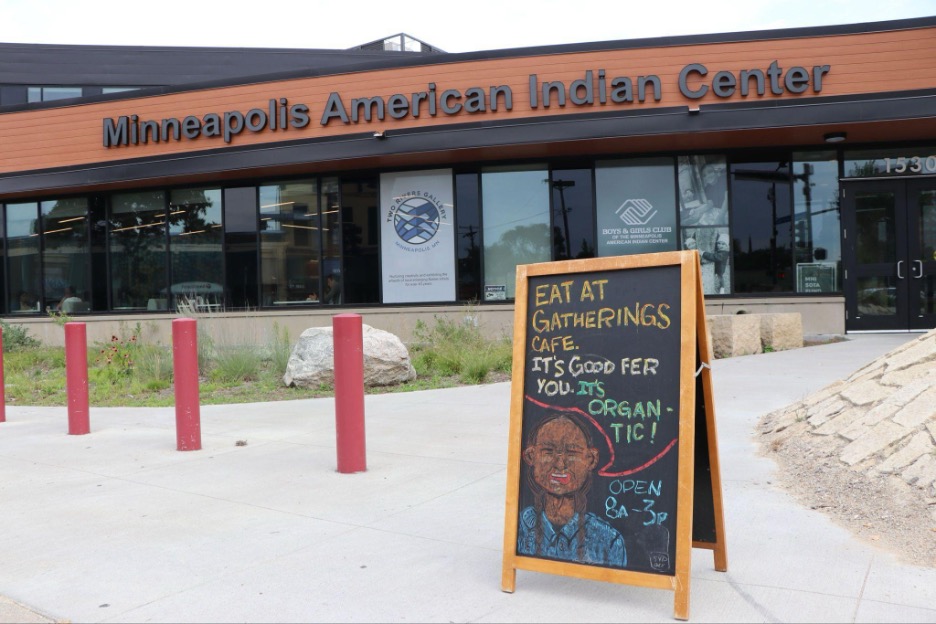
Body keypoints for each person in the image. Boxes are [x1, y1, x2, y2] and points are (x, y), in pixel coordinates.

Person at [517, 411, 627, 567]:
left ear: (591, 459)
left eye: (571, 453)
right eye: (548, 451)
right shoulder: (518, 528)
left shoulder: (608, 540)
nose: (560, 464)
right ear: (530, 456)